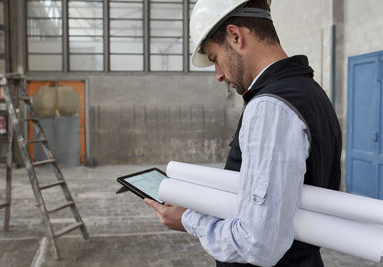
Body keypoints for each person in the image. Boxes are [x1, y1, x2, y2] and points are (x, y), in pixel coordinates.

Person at [145, 0, 342, 266]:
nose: (218, 74)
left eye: (215, 59)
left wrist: (186, 219)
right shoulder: (309, 91)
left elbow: (258, 243)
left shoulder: (271, 107)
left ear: (235, 36)